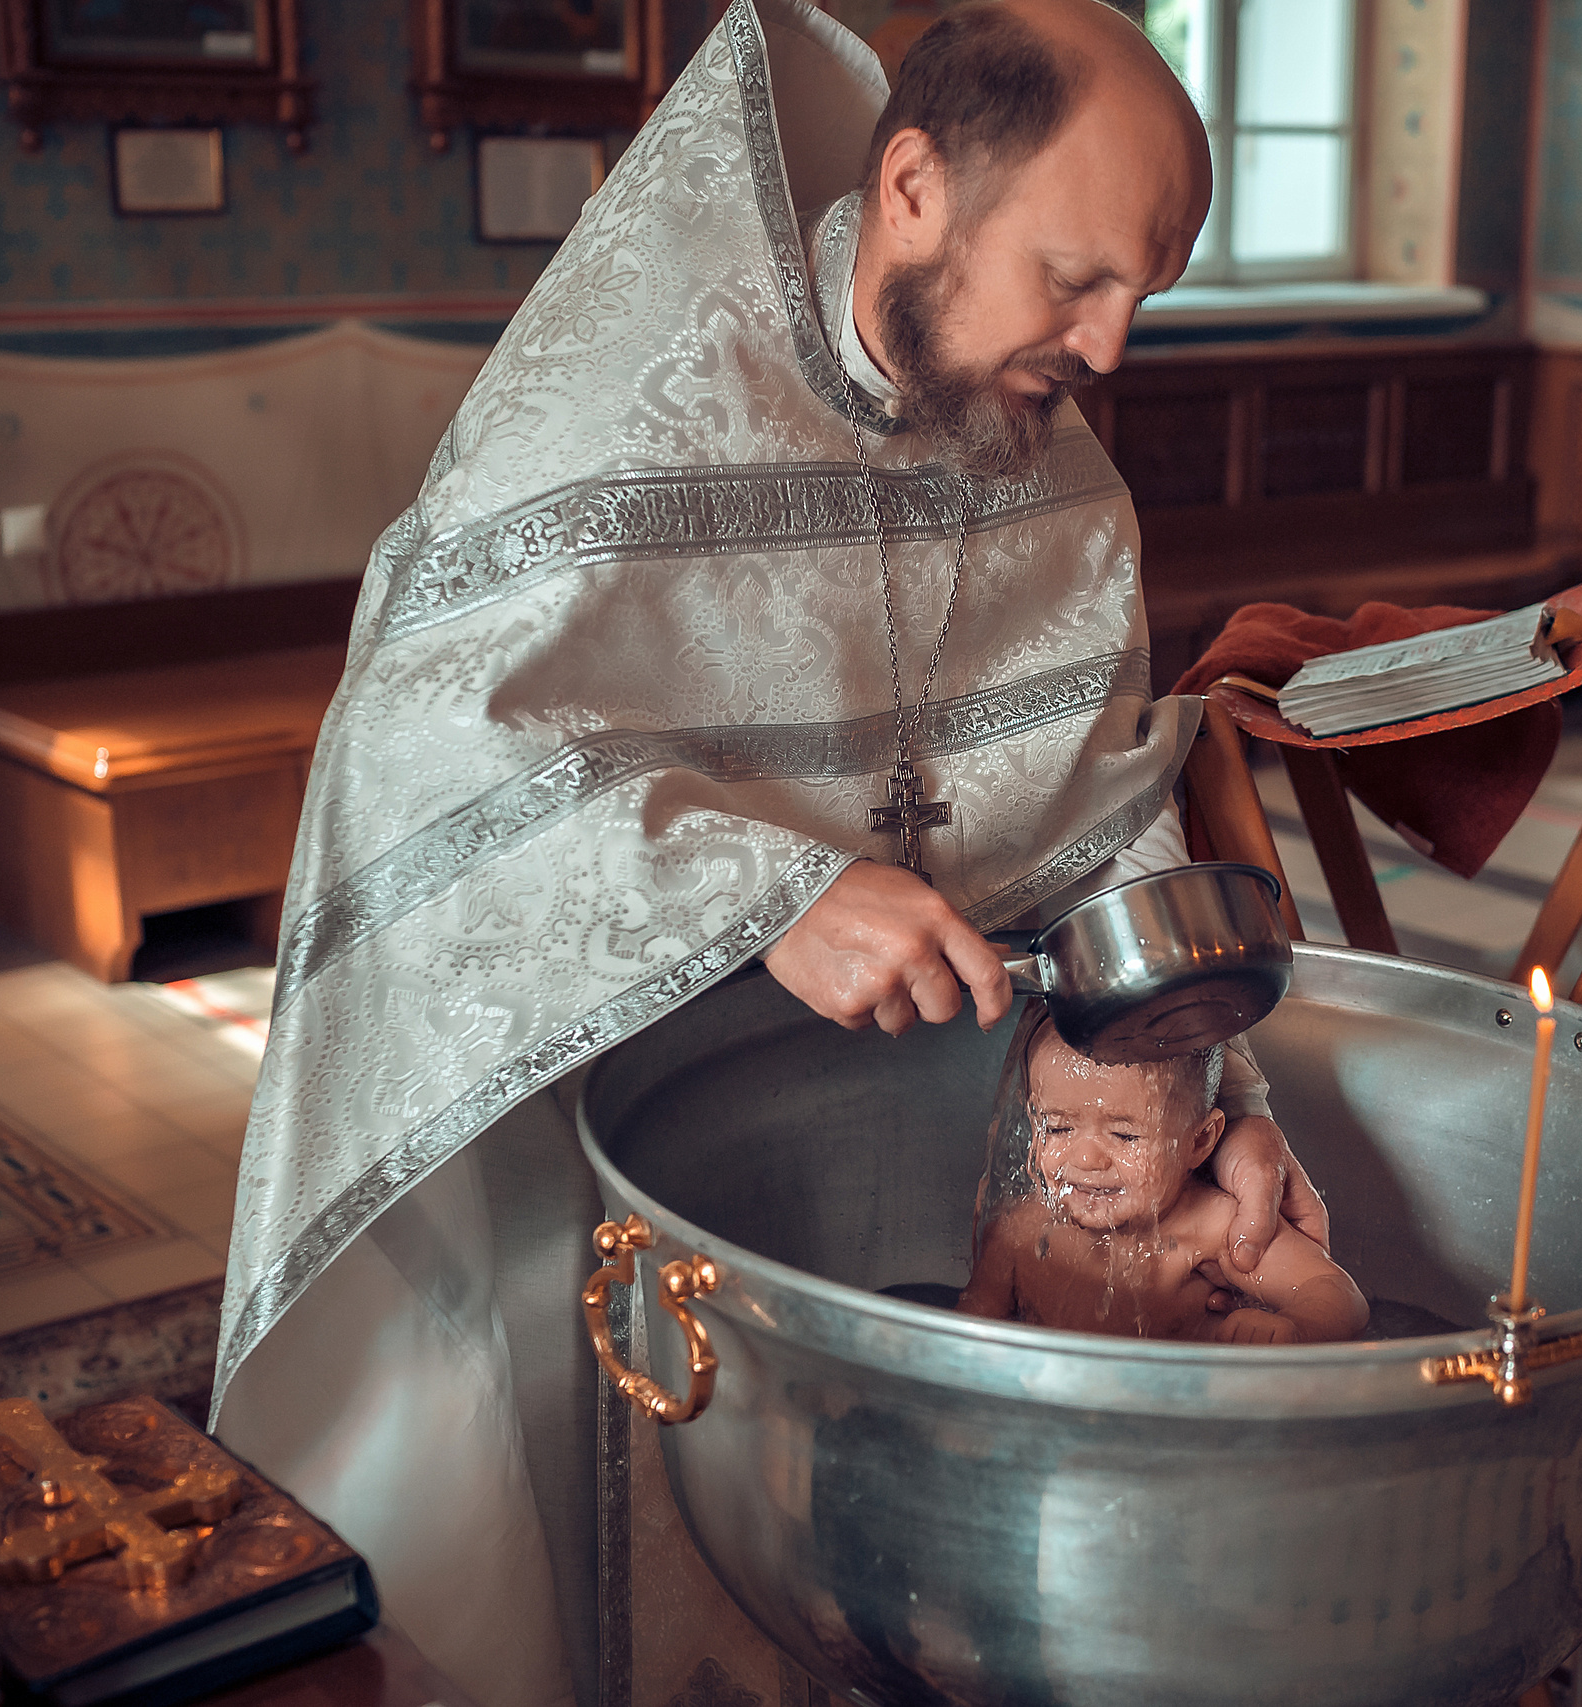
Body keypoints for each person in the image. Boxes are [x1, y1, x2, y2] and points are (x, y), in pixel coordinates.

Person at [211, 3, 1325, 1704]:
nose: (1108, 347)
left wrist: (1205, 1078)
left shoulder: (1053, 472)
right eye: (1076, 278)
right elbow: (414, 753)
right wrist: (769, 892)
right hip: (602, 1136)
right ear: (915, 187)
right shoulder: (627, 410)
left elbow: (1093, 809)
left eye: (1142, 297)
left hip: (923, 1157)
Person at [961, 1016, 1367, 1343]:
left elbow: (1337, 1293)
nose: (1086, 1159)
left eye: (1124, 1136)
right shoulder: (1018, 1232)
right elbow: (971, 1332)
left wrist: (1295, 1328)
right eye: (1058, 1128)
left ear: (1199, 1141)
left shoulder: (1214, 1228)